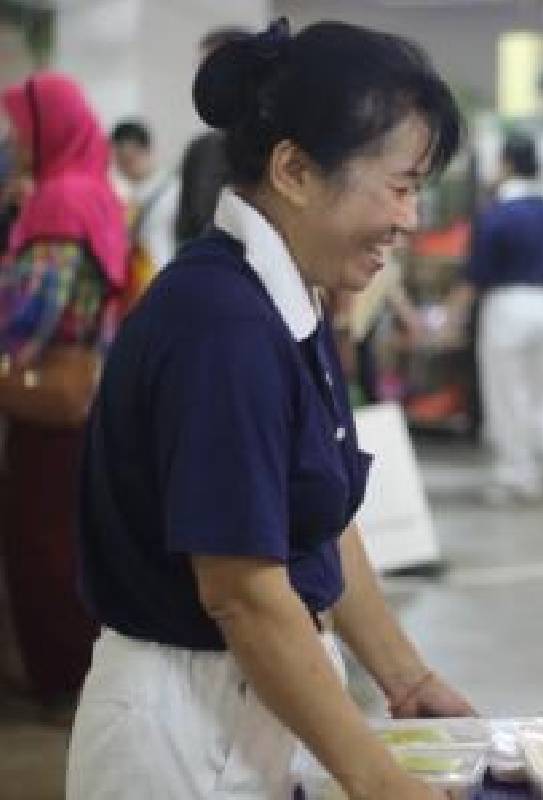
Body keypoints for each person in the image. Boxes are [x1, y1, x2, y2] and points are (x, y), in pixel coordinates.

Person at [66, 19, 473, 800]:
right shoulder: (222, 326)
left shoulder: (287, 300)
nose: (410, 219)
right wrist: (382, 782)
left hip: (254, 705)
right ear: (294, 169)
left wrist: (407, 681)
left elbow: (313, 520)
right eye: (400, 185)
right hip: (184, 726)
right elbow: (244, 595)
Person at [0, 72, 126, 706]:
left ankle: (61, 681)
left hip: (50, 392)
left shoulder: (59, 200)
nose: (15, 141)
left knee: (42, 547)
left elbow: (31, 314)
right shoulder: (92, 191)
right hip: (87, 390)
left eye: (21, 128)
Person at [447, 132, 543, 502]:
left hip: (508, 308)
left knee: (507, 394)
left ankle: (518, 476)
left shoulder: (497, 214)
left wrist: (451, 316)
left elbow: (475, 276)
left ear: (508, 164)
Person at [173, 26, 249, 248]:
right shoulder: (202, 150)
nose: (203, 81)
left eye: (212, 68)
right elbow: (187, 230)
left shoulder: (283, 146)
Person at [110, 118, 181, 274]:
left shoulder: (175, 191)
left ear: (148, 150)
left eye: (129, 159)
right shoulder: (120, 195)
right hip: (136, 281)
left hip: (165, 274)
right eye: (119, 161)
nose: (124, 167)